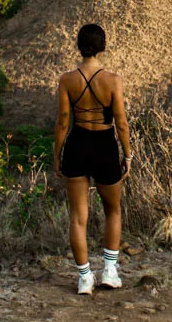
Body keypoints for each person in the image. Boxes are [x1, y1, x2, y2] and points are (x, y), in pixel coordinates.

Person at [53, 23, 131, 295]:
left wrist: (57, 155)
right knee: (113, 210)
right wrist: (128, 155)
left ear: (79, 46)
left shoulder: (67, 80)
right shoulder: (113, 80)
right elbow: (121, 123)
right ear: (102, 46)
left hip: (77, 144)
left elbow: (63, 121)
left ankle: (85, 278)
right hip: (105, 145)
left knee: (78, 217)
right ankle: (109, 271)